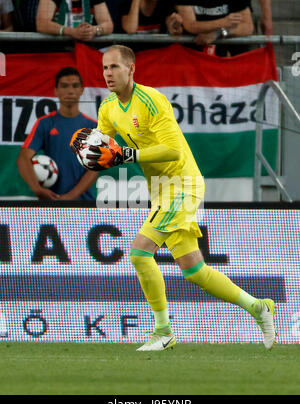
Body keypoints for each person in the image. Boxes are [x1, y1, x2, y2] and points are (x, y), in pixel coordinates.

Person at [71, 45, 276, 351]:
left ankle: (163, 331)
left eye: (114, 67)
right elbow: (104, 149)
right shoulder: (109, 108)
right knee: (194, 270)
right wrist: (93, 155)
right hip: (161, 189)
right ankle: (258, 307)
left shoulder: (152, 100)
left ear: (131, 69)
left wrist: (127, 154)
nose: (108, 74)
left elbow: (173, 150)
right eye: (104, 68)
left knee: (140, 252)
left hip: (182, 183)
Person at [17, 67, 98, 201]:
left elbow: (94, 169)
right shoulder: (44, 123)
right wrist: (37, 189)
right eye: (64, 86)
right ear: (56, 91)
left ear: (81, 90)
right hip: (51, 203)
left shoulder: (93, 126)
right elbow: (23, 159)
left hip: (85, 205)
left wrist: (70, 197)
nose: (70, 91)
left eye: (75, 86)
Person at [175, 1, 254, 56]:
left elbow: (248, 26)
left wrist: (218, 33)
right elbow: (190, 25)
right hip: (192, 56)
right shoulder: (224, 21)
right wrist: (223, 22)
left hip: (229, 58)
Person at [36, 0, 113, 40]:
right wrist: (71, 32)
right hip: (57, 51)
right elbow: (41, 23)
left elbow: (108, 25)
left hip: (87, 51)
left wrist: (94, 30)